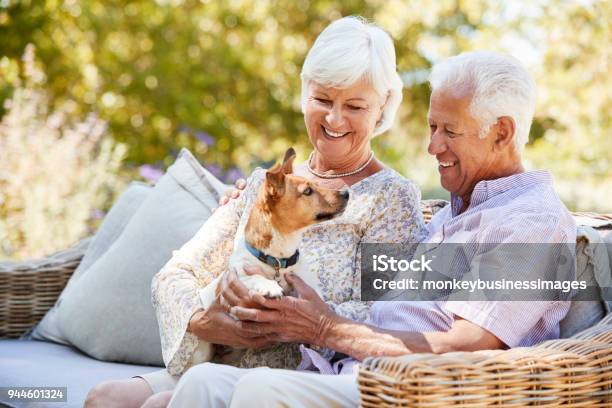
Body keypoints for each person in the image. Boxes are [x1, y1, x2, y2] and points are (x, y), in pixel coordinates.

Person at [166, 51, 576, 407]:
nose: (433, 147)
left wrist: (325, 327)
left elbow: (465, 344)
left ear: (502, 132)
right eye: (433, 128)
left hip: (409, 390)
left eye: (450, 131)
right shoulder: (459, 211)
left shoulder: (532, 222)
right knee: (203, 382)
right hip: (350, 371)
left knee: (261, 391)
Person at [84, 16, 426, 408]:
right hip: (226, 353)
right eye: (322, 100)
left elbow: (386, 312)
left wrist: (292, 315)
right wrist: (206, 321)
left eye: (354, 105)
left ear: (381, 107)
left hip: (300, 373)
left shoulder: (391, 198)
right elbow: (175, 275)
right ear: (304, 93)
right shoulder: (265, 186)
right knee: (104, 398)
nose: (334, 119)